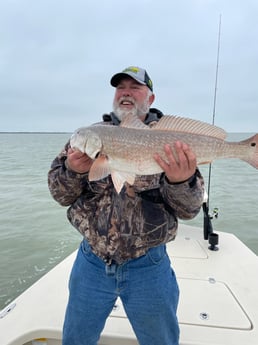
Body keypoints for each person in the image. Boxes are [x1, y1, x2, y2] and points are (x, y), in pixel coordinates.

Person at [48, 66, 205, 345]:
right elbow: (60, 196)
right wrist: (73, 169)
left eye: (135, 88)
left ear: (151, 98)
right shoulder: (90, 135)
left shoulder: (172, 142)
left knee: (161, 340)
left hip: (149, 265)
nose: (126, 93)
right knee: (75, 339)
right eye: (121, 88)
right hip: (92, 262)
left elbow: (189, 210)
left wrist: (180, 181)